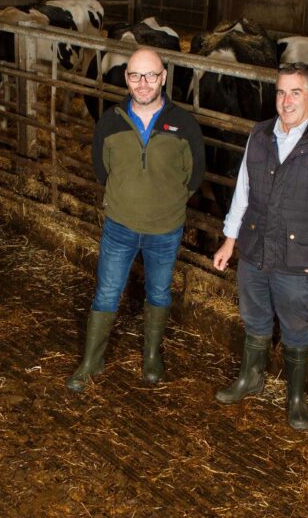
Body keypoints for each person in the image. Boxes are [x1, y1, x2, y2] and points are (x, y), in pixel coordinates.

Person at [212, 62, 308, 431]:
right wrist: (230, 240)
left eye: (296, 92)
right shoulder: (259, 135)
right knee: (255, 317)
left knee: (295, 326)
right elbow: (242, 191)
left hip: (299, 259)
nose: (286, 100)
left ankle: (296, 398)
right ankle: (251, 379)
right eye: (280, 92)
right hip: (255, 247)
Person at [67, 47, 205, 391]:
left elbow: (195, 174)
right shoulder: (110, 121)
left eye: (150, 75)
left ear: (163, 77)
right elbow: (102, 170)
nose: (143, 84)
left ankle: (151, 356)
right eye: (135, 76)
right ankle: (91, 361)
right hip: (120, 226)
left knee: (158, 291)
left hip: (165, 229)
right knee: (107, 292)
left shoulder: (184, 123)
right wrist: (126, 198)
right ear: (126, 78)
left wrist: (167, 203)